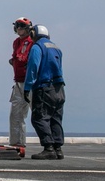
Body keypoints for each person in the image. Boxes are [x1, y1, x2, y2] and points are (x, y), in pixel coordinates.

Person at [24, 24, 66, 160]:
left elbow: (33, 68)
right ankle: (58, 149)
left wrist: (27, 87)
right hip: (59, 89)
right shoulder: (56, 48)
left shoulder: (37, 47)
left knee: (39, 118)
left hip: (44, 88)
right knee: (55, 118)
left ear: (34, 34)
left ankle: (48, 148)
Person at [8, 16, 34, 148]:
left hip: (30, 82)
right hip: (18, 82)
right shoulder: (16, 42)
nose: (19, 28)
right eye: (17, 26)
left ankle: (49, 143)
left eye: (22, 26)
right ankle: (16, 143)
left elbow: (26, 60)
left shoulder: (32, 42)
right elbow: (16, 58)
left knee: (35, 114)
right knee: (15, 114)